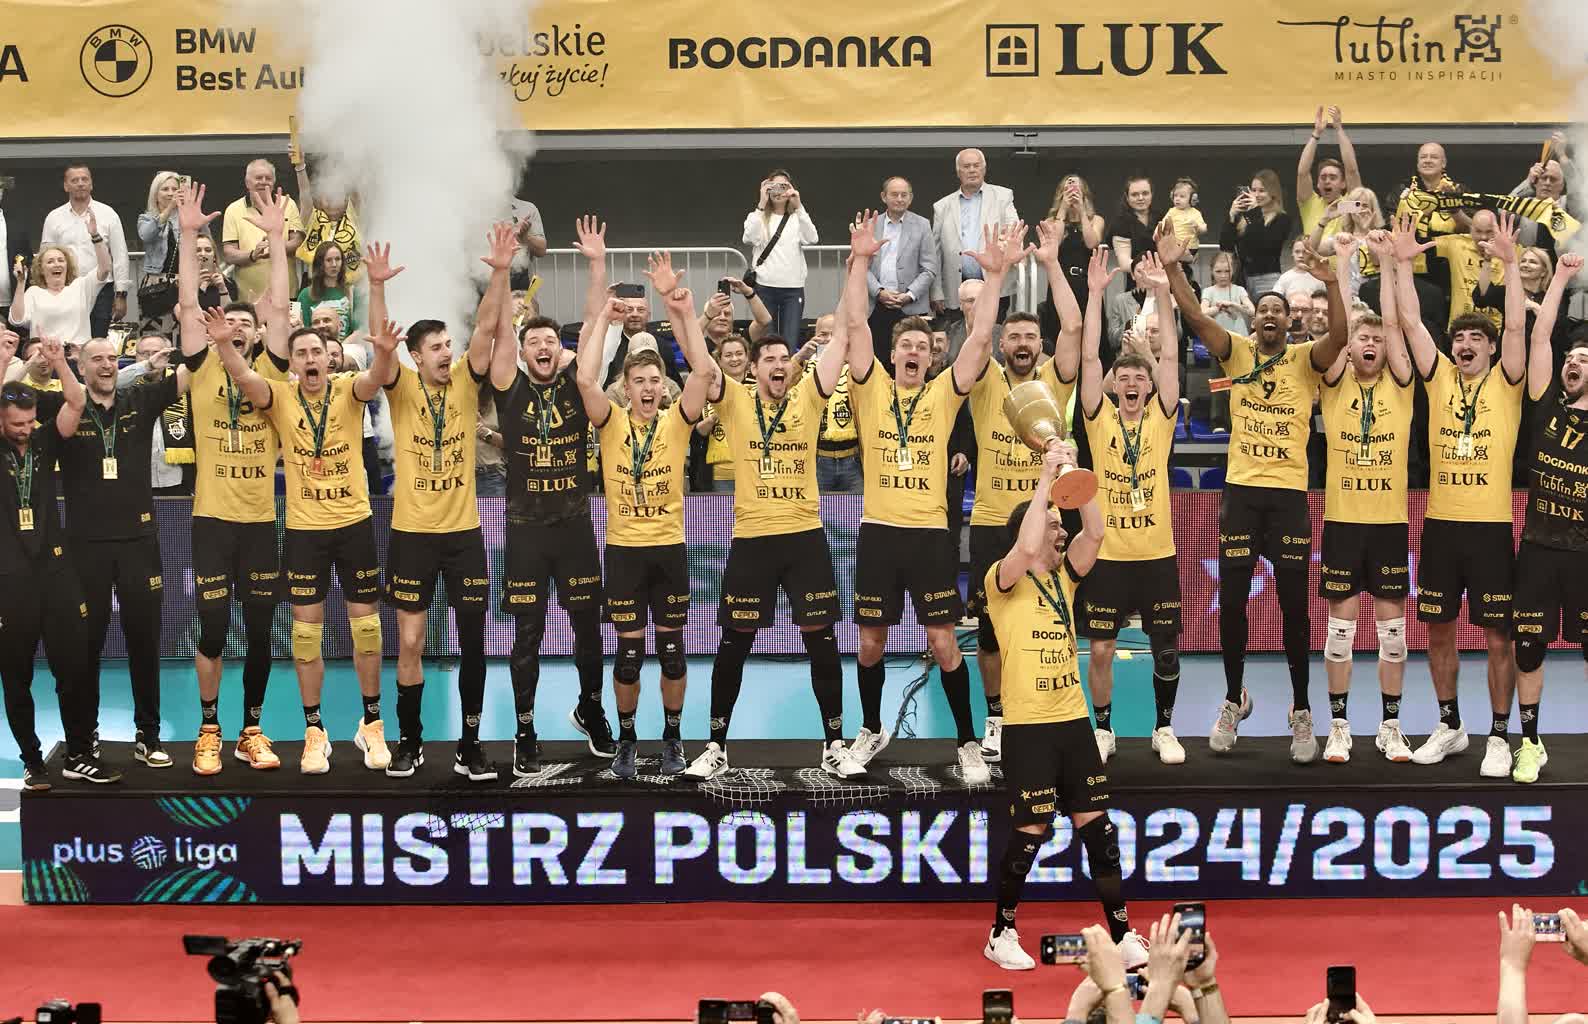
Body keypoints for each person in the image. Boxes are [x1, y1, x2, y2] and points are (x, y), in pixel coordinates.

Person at [212, 194, 391, 776]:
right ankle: (315, 732)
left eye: (318, 350)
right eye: (302, 352)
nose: (311, 357)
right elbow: (246, 370)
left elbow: (380, 373)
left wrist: (381, 323)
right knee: (307, 636)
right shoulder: (281, 395)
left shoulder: (348, 390)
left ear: (330, 360)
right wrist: (224, 342)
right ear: (292, 363)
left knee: (368, 627)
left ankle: (371, 725)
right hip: (307, 531)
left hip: (354, 523)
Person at [676, 230, 859, 779]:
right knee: (734, 642)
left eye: (785, 358)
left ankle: (833, 743)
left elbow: (843, 339)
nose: (778, 364)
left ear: (793, 367)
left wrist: (857, 265)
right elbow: (700, 362)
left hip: (804, 538)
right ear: (754, 368)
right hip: (752, 540)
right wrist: (678, 308)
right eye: (769, 358)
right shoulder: (734, 399)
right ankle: (716, 746)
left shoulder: (809, 396)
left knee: (822, 641)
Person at [846, 217, 1023, 784]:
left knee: (944, 643)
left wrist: (994, 278)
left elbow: (980, 339)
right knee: (870, 642)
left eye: (923, 346)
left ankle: (968, 742)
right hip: (879, 532)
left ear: (930, 358)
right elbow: (854, 323)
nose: (914, 351)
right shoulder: (870, 387)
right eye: (906, 345)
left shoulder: (945, 394)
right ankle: (871, 729)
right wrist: (859, 262)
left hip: (929, 536)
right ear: (893, 352)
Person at [1160, 227, 1347, 760]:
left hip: (1288, 497)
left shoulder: (1307, 359)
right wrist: (1173, 268)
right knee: (1233, 607)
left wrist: (1333, 281)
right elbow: (1196, 316)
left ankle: (1301, 710)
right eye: (1262, 309)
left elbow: (1340, 333)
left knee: (1295, 611)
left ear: (1289, 322)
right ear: (1253, 318)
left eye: (1278, 311)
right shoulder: (1237, 351)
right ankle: (1233, 699)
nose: (1269, 315)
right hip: (1241, 493)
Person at [981, 440, 1145, 971]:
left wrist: (1074, 477)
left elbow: (1095, 532)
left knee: (1100, 833)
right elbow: (1028, 543)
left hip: (1073, 722)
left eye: (1059, 523)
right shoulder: (1001, 580)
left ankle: (1122, 935)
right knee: (1030, 834)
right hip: (1028, 727)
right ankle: (1001, 933)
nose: (1061, 531)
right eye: (1054, 524)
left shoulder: (1064, 579)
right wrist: (1044, 482)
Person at [1389, 215, 1526, 778]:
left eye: (1475, 339)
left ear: (1491, 348)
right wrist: (1401, 264)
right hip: (1441, 525)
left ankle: (1499, 735)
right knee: (1438, 630)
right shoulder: (1440, 376)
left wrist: (1511, 265)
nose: (1464, 345)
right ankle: (1450, 725)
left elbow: (1516, 328)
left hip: (1491, 528)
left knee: (1498, 638)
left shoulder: (1508, 381)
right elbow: (1409, 320)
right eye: (1459, 339)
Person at [372, 228, 511, 781]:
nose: (447, 353)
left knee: (474, 641)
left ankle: (470, 744)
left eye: (448, 345)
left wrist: (499, 271)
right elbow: (382, 353)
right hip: (412, 535)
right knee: (409, 641)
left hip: (463, 535)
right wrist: (376, 287)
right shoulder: (401, 386)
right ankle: (409, 742)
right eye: (436, 347)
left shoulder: (465, 382)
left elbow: (487, 328)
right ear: (416, 355)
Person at [573, 245, 715, 779]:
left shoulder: (677, 421)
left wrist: (678, 307)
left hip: (668, 549)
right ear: (627, 388)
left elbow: (703, 369)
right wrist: (603, 323)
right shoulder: (611, 421)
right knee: (629, 658)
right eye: (640, 381)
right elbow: (584, 380)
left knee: (673, 654)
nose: (649, 388)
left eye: (655, 380)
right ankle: (628, 742)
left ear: (662, 387)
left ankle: (673, 739)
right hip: (625, 553)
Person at [172, 180, 289, 775]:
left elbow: (280, 305)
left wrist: (277, 239)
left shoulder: (273, 368)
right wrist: (188, 235)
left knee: (262, 631)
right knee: (214, 628)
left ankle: (252, 729)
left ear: (257, 333)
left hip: (259, 520)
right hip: (213, 520)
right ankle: (209, 728)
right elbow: (187, 303)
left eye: (246, 322)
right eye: (228, 320)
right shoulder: (200, 365)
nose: (236, 326)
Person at [492, 215, 615, 777]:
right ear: (522, 353)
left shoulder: (575, 382)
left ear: (561, 351)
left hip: (574, 526)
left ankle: (591, 708)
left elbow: (592, 323)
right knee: (528, 634)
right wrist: (501, 272)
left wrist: (597, 264)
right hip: (525, 530)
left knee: (589, 626)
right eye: (533, 342)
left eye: (550, 341)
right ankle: (524, 729)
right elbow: (499, 331)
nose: (543, 346)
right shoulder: (508, 384)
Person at [964, 217, 1081, 765]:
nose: (1021, 344)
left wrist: (1052, 263)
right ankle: (996, 717)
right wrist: (997, 275)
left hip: (1046, 520)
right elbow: (977, 334)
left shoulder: (1053, 381)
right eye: (1014, 337)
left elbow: (1074, 328)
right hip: (993, 521)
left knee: (1049, 620)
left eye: (1030, 337)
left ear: (1040, 344)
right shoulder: (987, 379)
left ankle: (1051, 711)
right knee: (990, 632)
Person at [1078, 247, 1186, 766]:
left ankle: (1164, 728)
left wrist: (1163, 293)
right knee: (1101, 649)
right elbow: (1089, 359)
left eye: (1140, 378)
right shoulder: (1098, 418)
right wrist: (1095, 295)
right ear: (1113, 386)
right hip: (1108, 556)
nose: (1132, 384)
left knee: (1165, 649)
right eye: (1124, 378)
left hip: (1156, 554)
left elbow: (1170, 359)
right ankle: (1103, 729)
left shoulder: (1162, 418)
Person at [1315, 231, 1417, 765]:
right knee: (1340, 631)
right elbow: (1337, 332)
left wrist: (1387, 263)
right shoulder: (1334, 384)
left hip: (1389, 525)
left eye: (1376, 337)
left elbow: (1397, 326)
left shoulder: (1401, 384)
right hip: (1342, 523)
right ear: (1351, 347)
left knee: (1393, 633)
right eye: (1361, 337)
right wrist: (1344, 260)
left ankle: (1390, 725)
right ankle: (1339, 726)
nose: (1370, 343)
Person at [0, 334, 118, 788]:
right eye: (16, 423)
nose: (24, 429)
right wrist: (7, 361)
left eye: (30, 421)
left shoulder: (45, 440)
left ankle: (79, 753)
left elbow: (76, 401)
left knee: (75, 668)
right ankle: (33, 760)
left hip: (56, 573)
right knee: (17, 677)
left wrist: (60, 363)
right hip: (9, 581)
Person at [1508, 249, 1588, 783]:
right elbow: (1540, 339)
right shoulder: (1547, 408)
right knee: (1529, 649)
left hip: (1585, 555)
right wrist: (1559, 277)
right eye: (1572, 357)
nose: (1573, 363)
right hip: (1539, 548)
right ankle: (1530, 743)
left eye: (1585, 359)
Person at [39, 164, 130, 338]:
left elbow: (120, 256)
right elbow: (45, 257)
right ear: (66, 186)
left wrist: (121, 294)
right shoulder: (54, 217)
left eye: (84, 179)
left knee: (97, 339)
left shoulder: (108, 214)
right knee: (67, 338)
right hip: (65, 288)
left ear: (91, 184)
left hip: (102, 289)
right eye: (74, 180)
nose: (80, 183)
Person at [931, 150, 1019, 319]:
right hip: (955, 288)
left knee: (993, 331)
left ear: (984, 169)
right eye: (966, 166)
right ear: (958, 172)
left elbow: (1013, 231)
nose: (972, 170)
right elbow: (935, 252)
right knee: (956, 333)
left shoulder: (1003, 197)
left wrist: (1007, 245)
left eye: (976, 165)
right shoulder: (942, 206)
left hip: (993, 283)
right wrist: (936, 291)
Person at [867, 176, 938, 364]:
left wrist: (909, 295)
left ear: (911, 198)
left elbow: (929, 268)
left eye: (904, 195)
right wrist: (879, 292)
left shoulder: (922, 225)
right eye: (894, 194)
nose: (899, 199)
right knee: (877, 362)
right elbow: (861, 267)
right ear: (884, 197)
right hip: (875, 306)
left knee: (911, 361)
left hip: (910, 306)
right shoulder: (870, 225)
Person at [743, 169, 818, 343]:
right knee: (767, 341)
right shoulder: (757, 216)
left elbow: (812, 238)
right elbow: (749, 238)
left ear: (791, 189)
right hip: (764, 286)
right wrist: (761, 202)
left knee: (790, 340)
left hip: (793, 288)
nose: (778, 191)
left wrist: (799, 206)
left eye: (783, 187)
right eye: (773, 186)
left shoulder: (797, 217)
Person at [222, 159, 305, 305]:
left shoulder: (287, 204)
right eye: (258, 178)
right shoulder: (233, 210)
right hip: (248, 298)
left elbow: (298, 241)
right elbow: (229, 253)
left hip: (286, 294)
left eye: (268, 178)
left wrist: (275, 247)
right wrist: (253, 255)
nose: (264, 182)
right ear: (247, 183)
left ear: (274, 182)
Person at [8, 229, 112, 345]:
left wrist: (95, 236)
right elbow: (17, 320)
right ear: (41, 269)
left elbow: (105, 269)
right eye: (50, 262)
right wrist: (21, 283)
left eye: (61, 260)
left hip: (76, 352)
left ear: (67, 266)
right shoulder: (34, 292)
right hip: (45, 352)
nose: (56, 264)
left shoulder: (81, 286)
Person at [1044, 174, 1107, 335]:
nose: (1072, 192)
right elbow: (1053, 244)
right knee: (1059, 330)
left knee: (1089, 331)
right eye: (1068, 188)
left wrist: (1082, 212)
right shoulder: (1052, 221)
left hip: (1087, 283)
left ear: (1084, 194)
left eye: (1076, 188)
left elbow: (1091, 242)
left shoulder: (1096, 220)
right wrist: (1063, 209)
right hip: (1061, 282)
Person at [1220, 169, 1291, 296]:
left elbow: (1265, 245)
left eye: (1262, 190)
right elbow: (1226, 246)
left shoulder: (1281, 218)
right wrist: (1231, 217)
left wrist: (1255, 211)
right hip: (1242, 279)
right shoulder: (1247, 216)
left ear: (1273, 192)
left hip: (1267, 278)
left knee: (1266, 308)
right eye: (1253, 190)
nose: (1256, 195)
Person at [292, 158, 362, 285]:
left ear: (346, 200)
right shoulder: (313, 219)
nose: (332, 200)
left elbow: (355, 191)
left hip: (347, 286)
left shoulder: (352, 217)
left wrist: (351, 157)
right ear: (319, 200)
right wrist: (300, 167)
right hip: (316, 287)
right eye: (328, 197)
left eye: (337, 195)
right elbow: (304, 194)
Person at [1296, 106, 1362, 237]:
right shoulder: (1310, 204)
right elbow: (1302, 172)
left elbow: (1352, 170)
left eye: (1333, 177)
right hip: (1312, 251)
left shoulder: (1348, 205)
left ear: (1343, 183)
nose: (1327, 181)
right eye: (1323, 177)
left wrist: (1339, 129)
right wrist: (1316, 134)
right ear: (1318, 184)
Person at [696, 334, 749, 492]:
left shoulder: (760, 387)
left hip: (756, 469)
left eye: (739, 354)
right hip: (721, 474)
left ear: (747, 357)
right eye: (728, 355)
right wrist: (717, 414)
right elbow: (700, 431)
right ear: (719, 360)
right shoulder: (709, 390)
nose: (734, 359)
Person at [136, 171, 187, 324]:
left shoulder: (188, 218)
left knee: (187, 331)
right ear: (155, 194)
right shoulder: (146, 218)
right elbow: (146, 235)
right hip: (156, 284)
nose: (171, 193)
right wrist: (170, 208)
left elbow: (206, 241)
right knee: (155, 332)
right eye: (165, 189)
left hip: (184, 283)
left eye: (175, 189)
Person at [297, 242, 363, 337]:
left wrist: (341, 345)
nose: (334, 264)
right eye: (329, 260)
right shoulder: (306, 295)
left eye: (338, 259)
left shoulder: (352, 292)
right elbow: (304, 331)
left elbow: (359, 330)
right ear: (320, 263)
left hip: (347, 345)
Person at [1109, 174, 1162, 273]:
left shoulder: (1162, 218)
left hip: (1168, 278)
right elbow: (1124, 264)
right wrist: (1153, 269)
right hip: (1138, 278)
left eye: (1145, 193)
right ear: (1127, 197)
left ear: (1152, 194)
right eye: (1134, 194)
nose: (1140, 198)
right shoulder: (1120, 224)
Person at [0, 175, 31, 327]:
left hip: (12, 303)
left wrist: (21, 262)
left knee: (13, 340)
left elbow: (26, 255)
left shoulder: (16, 223)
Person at [1201, 251, 1254, 334]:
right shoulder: (1208, 291)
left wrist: (1233, 304)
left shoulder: (1239, 290)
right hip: (1218, 335)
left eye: (1227, 271)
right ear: (1212, 271)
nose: (1223, 275)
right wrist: (1220, 308)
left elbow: (1252, 311)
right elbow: (1202, 313)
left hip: (1239, 335)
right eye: (1218, 271)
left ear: (1233, 271)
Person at [1163, 178, 1207, 267]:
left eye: (1182, 196)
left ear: (1192, 199)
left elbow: (1204, 229)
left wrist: (1197, 227)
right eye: (1175, 195)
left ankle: (1187, 259)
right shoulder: (1171, 212)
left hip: (1191, 247)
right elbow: (1163, 225)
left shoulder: (1195, 213)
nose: (1177, 199)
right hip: (1175, 247)